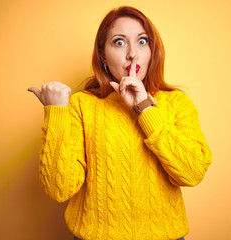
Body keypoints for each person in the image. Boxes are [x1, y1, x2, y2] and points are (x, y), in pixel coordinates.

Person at [28, 6, 212, 240]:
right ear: (103, 55)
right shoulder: (82, 105)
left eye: (142, 41)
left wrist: (145, 108)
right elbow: (58, 189)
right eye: (119, 42)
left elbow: (192, 172)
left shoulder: (177, 103)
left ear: (152, 51)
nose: (133, 54)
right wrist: (56, 113)